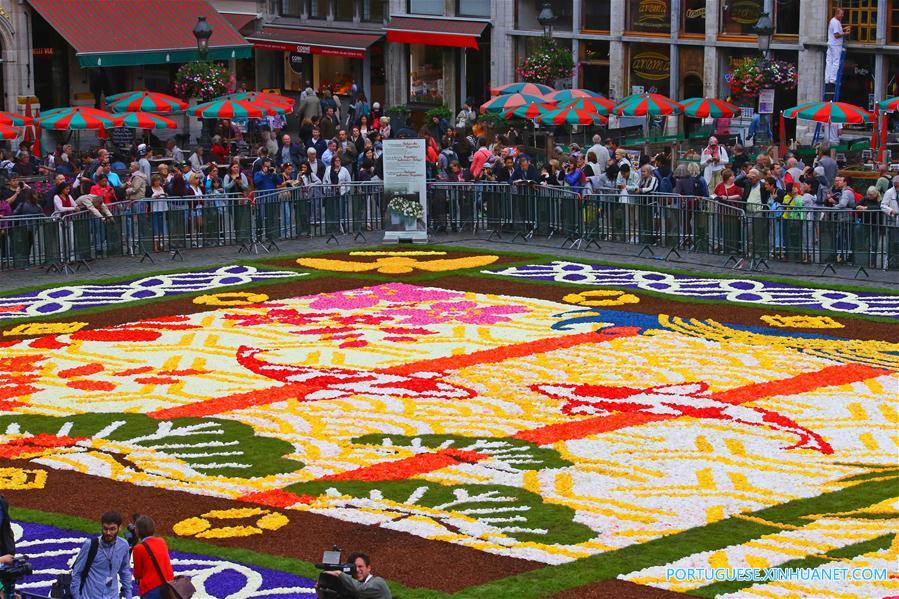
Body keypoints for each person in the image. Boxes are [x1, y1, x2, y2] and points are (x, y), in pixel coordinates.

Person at [70, 511, 132, 599]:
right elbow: (77, 572)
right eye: (105, 528)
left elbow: (124, 571)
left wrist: (128, 595)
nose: (108, 533)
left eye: (112, 529)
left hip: (112, 596)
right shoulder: (90, 545)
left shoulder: (123, 545)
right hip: (90, 596)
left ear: (120, 528)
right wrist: (77, 597)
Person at [131, 516, 174, 599]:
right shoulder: (162, 541)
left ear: (137, 531)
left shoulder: (138, 548)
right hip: (168, 585)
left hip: (150, 589)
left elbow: (137, 574)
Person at [322, 551, 392, 599]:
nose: (357, 570)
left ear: (369, 568)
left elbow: (360, 589)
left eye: (360, 566)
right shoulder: (351, 585)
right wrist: (321, 590)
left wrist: (339, 574)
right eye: (354, 568)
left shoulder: (378, 582)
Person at [826, 7, 850, 85]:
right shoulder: (836, 22)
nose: (842, 15)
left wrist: (843, 29)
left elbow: (836, 31)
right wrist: (845, 33)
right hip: (836, 45)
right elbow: (836, 35)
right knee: (836, 62)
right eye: (841, 14)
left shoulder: (833, 21)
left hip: (831, 43)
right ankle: (833, 79)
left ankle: (827, 79)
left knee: (829, 61)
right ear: (837, 13)